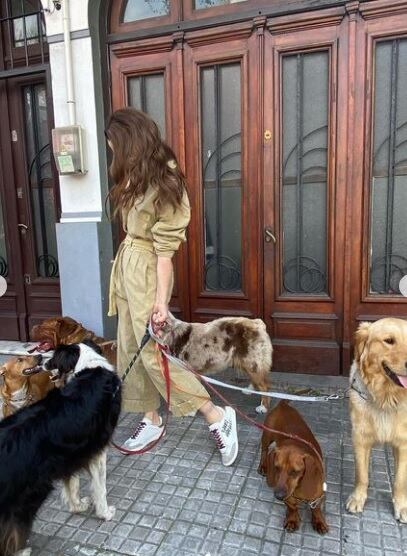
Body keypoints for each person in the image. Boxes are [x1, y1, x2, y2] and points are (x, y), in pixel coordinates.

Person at [105, 108, 238, 466]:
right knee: (131, 345)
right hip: (129, 268)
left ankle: (216, 415)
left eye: (116, 146)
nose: (114, 153)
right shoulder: (136, 175)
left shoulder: (165, 182)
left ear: (132, 141)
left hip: (148, 270)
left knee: (153, 352)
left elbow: (165, 254)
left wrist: (161, 303)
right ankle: (151, 418)